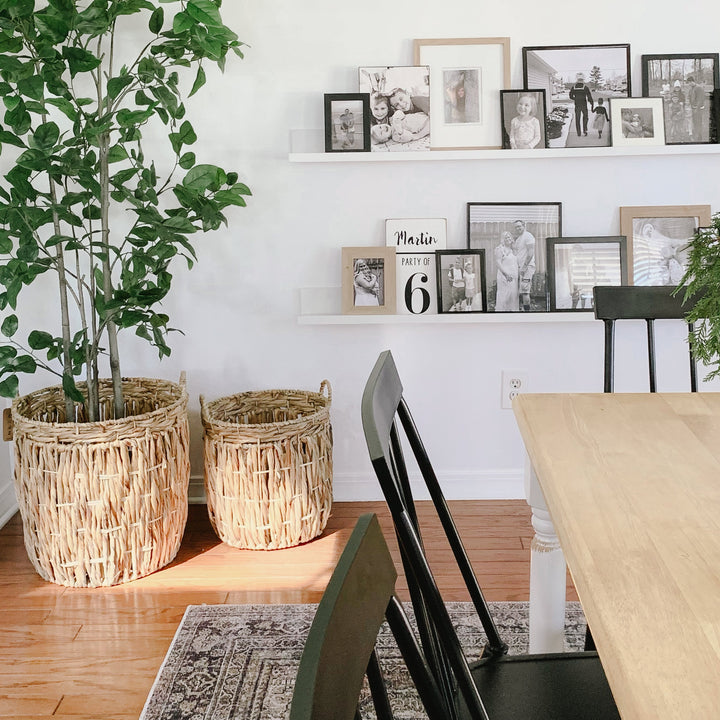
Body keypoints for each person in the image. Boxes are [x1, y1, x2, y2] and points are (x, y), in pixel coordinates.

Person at [511, 220, 536, 312]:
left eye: (519, 226)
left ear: (524, 225)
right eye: (516, 227)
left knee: (525, 291)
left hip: (527, 267)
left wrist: (525, 266)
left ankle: (527, 313)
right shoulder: (519, 238)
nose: (517, 228)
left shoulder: (528, 236)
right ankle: (521, 310)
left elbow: (530, 253)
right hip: (519, 268)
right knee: (520, 291)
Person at [494, 231, 519, 311]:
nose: (508, 239)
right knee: (504, 295)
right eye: (506, 237)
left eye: (509, 237)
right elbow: (498, 262)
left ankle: (511, 312)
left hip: (513, 277)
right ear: (503, 239)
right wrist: (506, 274)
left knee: (512, 296)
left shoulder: (512, 249)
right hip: (504, 276)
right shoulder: (500, 249)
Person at [569, 72, 594, 137]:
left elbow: (570, 96)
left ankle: (578, 133)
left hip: (577, 105)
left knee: (577, 119)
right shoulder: (585, 87)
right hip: (584, 105)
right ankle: (585, 130)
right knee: (585, 117)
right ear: (583, 80)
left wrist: (575, 98)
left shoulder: (573, 87)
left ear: (577, 80)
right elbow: (589, 96)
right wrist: (591, 103)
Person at [686, 76, 706, 142]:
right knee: (694, 122)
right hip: (693, 108)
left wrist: (696, 109)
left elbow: (700, 99)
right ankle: (695, 134)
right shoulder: (691, 89)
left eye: (689, 82)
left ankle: (699, 136)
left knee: (698, 122)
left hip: (698, 108)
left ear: (692, 81)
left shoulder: (699, 88)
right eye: (688, 83)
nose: (688, 84)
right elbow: (689, 97)